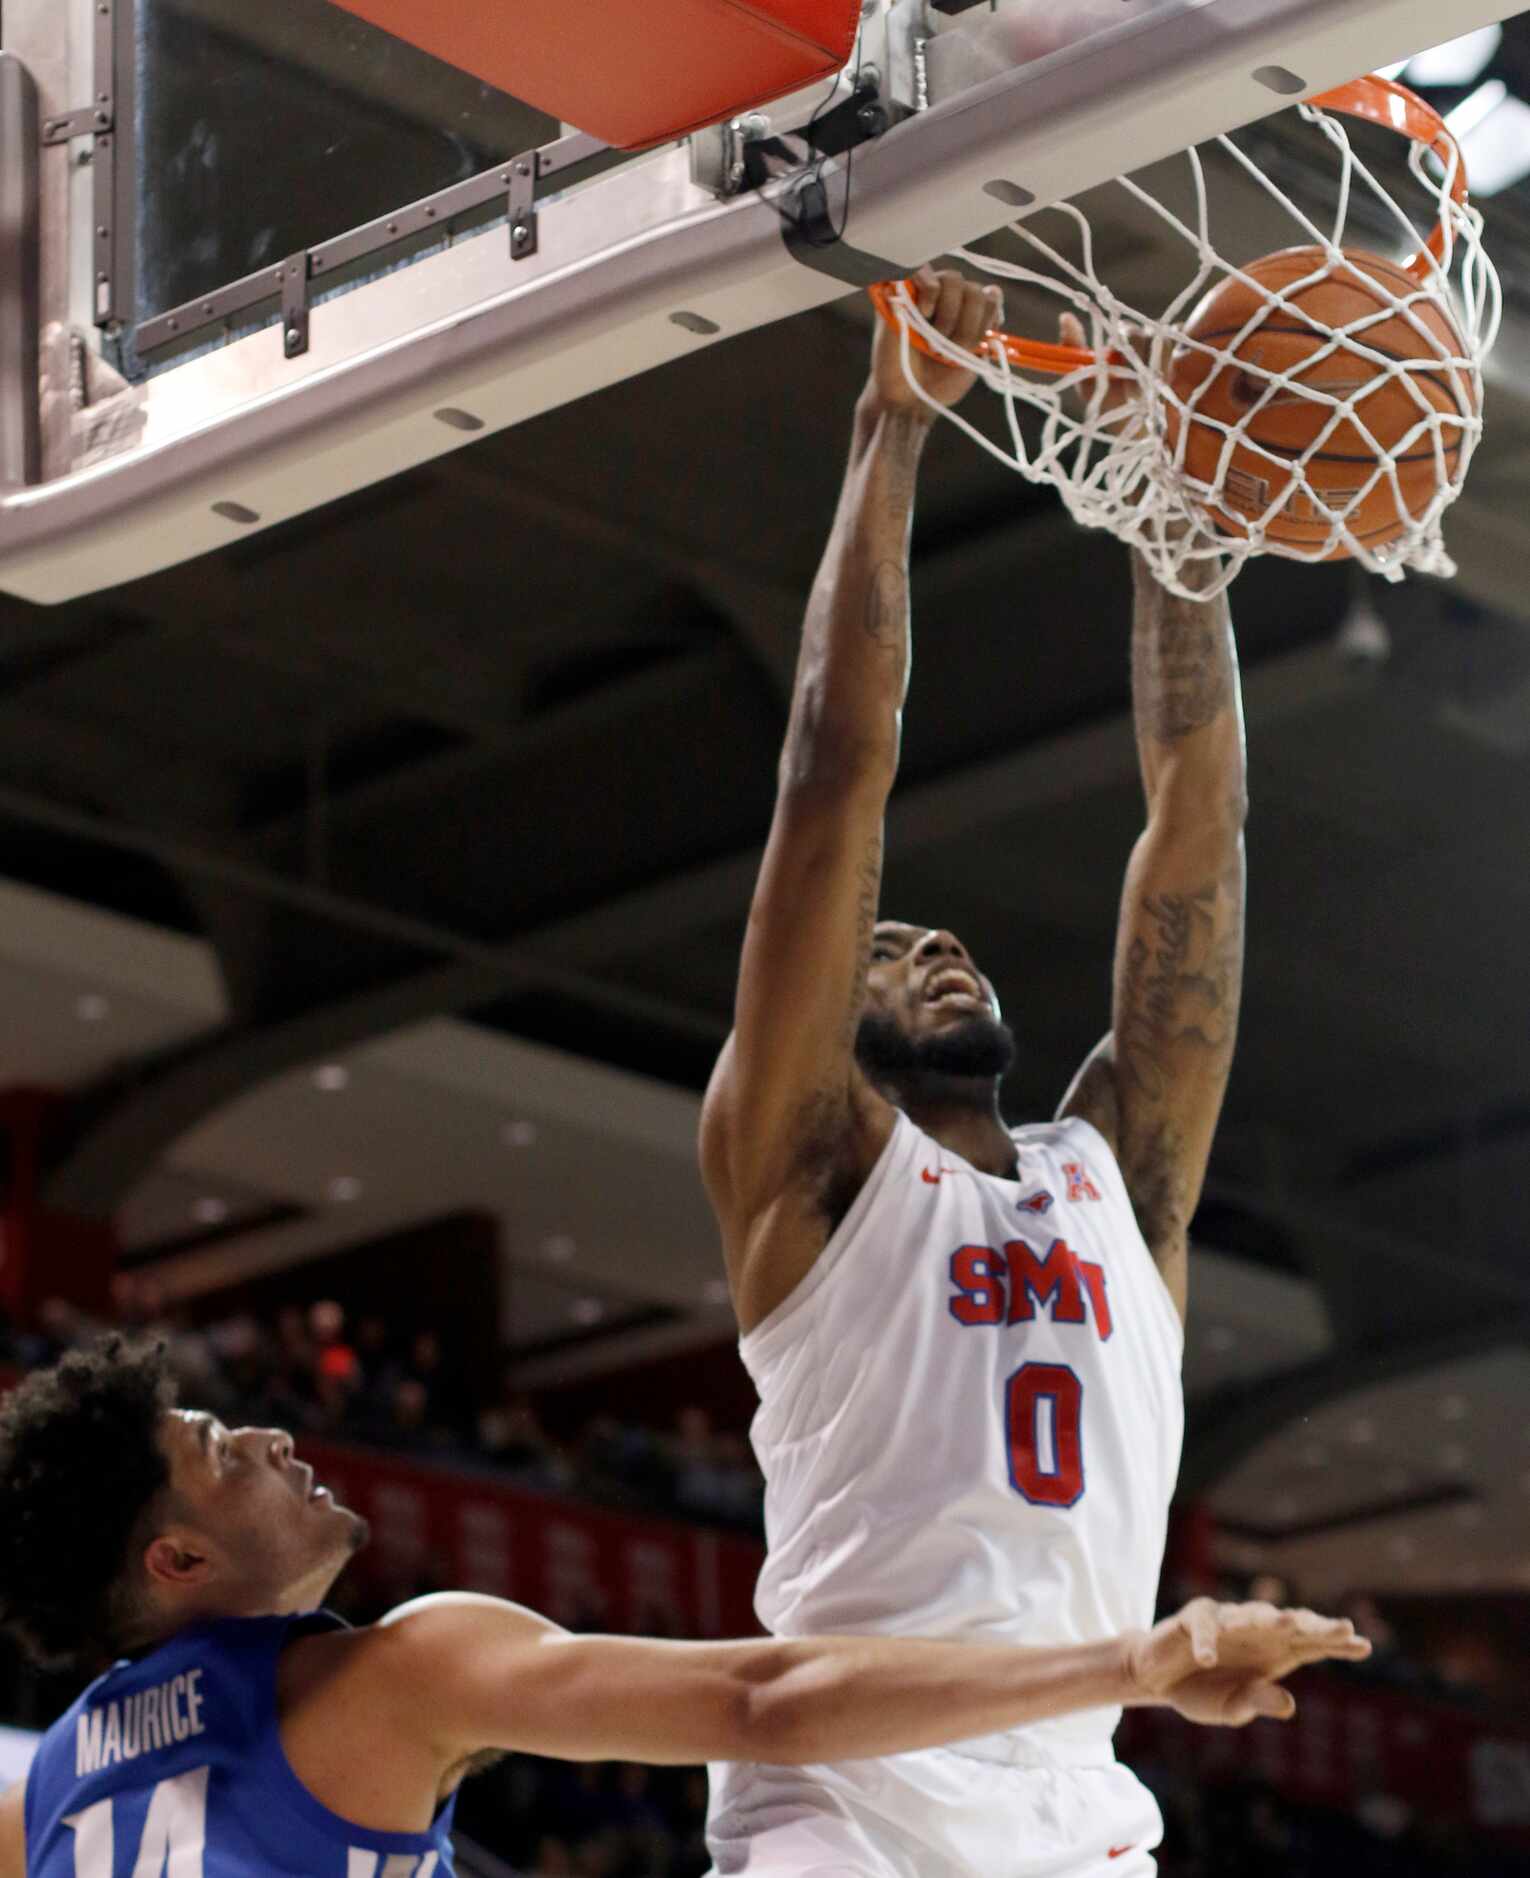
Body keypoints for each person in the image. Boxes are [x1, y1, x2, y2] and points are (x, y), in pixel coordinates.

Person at [700, 269, 1250, 1876]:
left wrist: (1177, 519)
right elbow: (831, 774)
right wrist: (893, 422)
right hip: (843, 1800)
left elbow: (1194, 826)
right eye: (890, 945)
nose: (930, 947)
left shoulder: (1119, 1177)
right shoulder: (804, 1166)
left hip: (1072, 1805)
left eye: (944, 942)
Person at [0, 1340, 1365, 1878]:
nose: (271, 1437)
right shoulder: (387, 1677)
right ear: (177, 1559)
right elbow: (756, 1702)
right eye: (223, 1451)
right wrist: (1136, 1656)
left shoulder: (54, 1780)